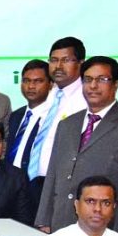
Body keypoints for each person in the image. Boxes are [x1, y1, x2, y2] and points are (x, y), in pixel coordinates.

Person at [36, 56, 118, 236]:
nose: (93, 86)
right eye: (88, 80)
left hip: (103, 233)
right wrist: (43, 220)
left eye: (102, 79)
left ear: (115, 84)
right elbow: (53, 176)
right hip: (60, 228)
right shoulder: (67, 125)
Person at [26, 37, 89, 188]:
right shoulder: (51, 95)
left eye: (66, 60)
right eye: (53, 60)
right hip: (35, 183)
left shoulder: (87, 100)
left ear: (81, 63)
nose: (58, 66)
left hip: (65, 184)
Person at [6, 59, 53, 211]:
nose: (31, 86)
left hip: (39, 192)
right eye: (26, 81)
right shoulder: (15, 116)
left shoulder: (55, 118)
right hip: (11, 190)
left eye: (38, 81)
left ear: (51, 84)